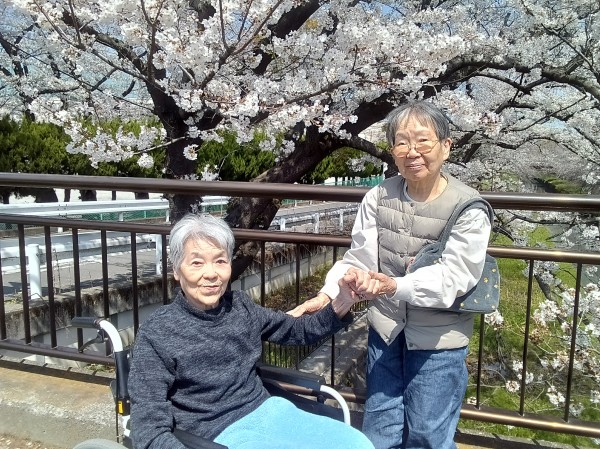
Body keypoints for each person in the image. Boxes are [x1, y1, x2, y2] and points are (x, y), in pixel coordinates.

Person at [289, 101, 492, 449]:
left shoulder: (469, 207)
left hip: (438, 340)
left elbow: (456, 276)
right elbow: (360, 257)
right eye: (402, 143)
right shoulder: (378, 195)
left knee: (428, 435)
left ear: (446, 146)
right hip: (385, 331)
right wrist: (327, 294)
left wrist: (393, 285)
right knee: (380, 429)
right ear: (393, 151)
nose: (412, 152)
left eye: (423, 141)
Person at [128, 213, 375, 449]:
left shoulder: (240, 307)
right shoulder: (158, 333)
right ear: (176, 270)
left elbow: (296, 330)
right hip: (212, 434)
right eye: (197, 263)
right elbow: (148, 430)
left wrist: (342, 301)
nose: (211, 274)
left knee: (357, 443)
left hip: (267, 411)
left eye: (220, 261)